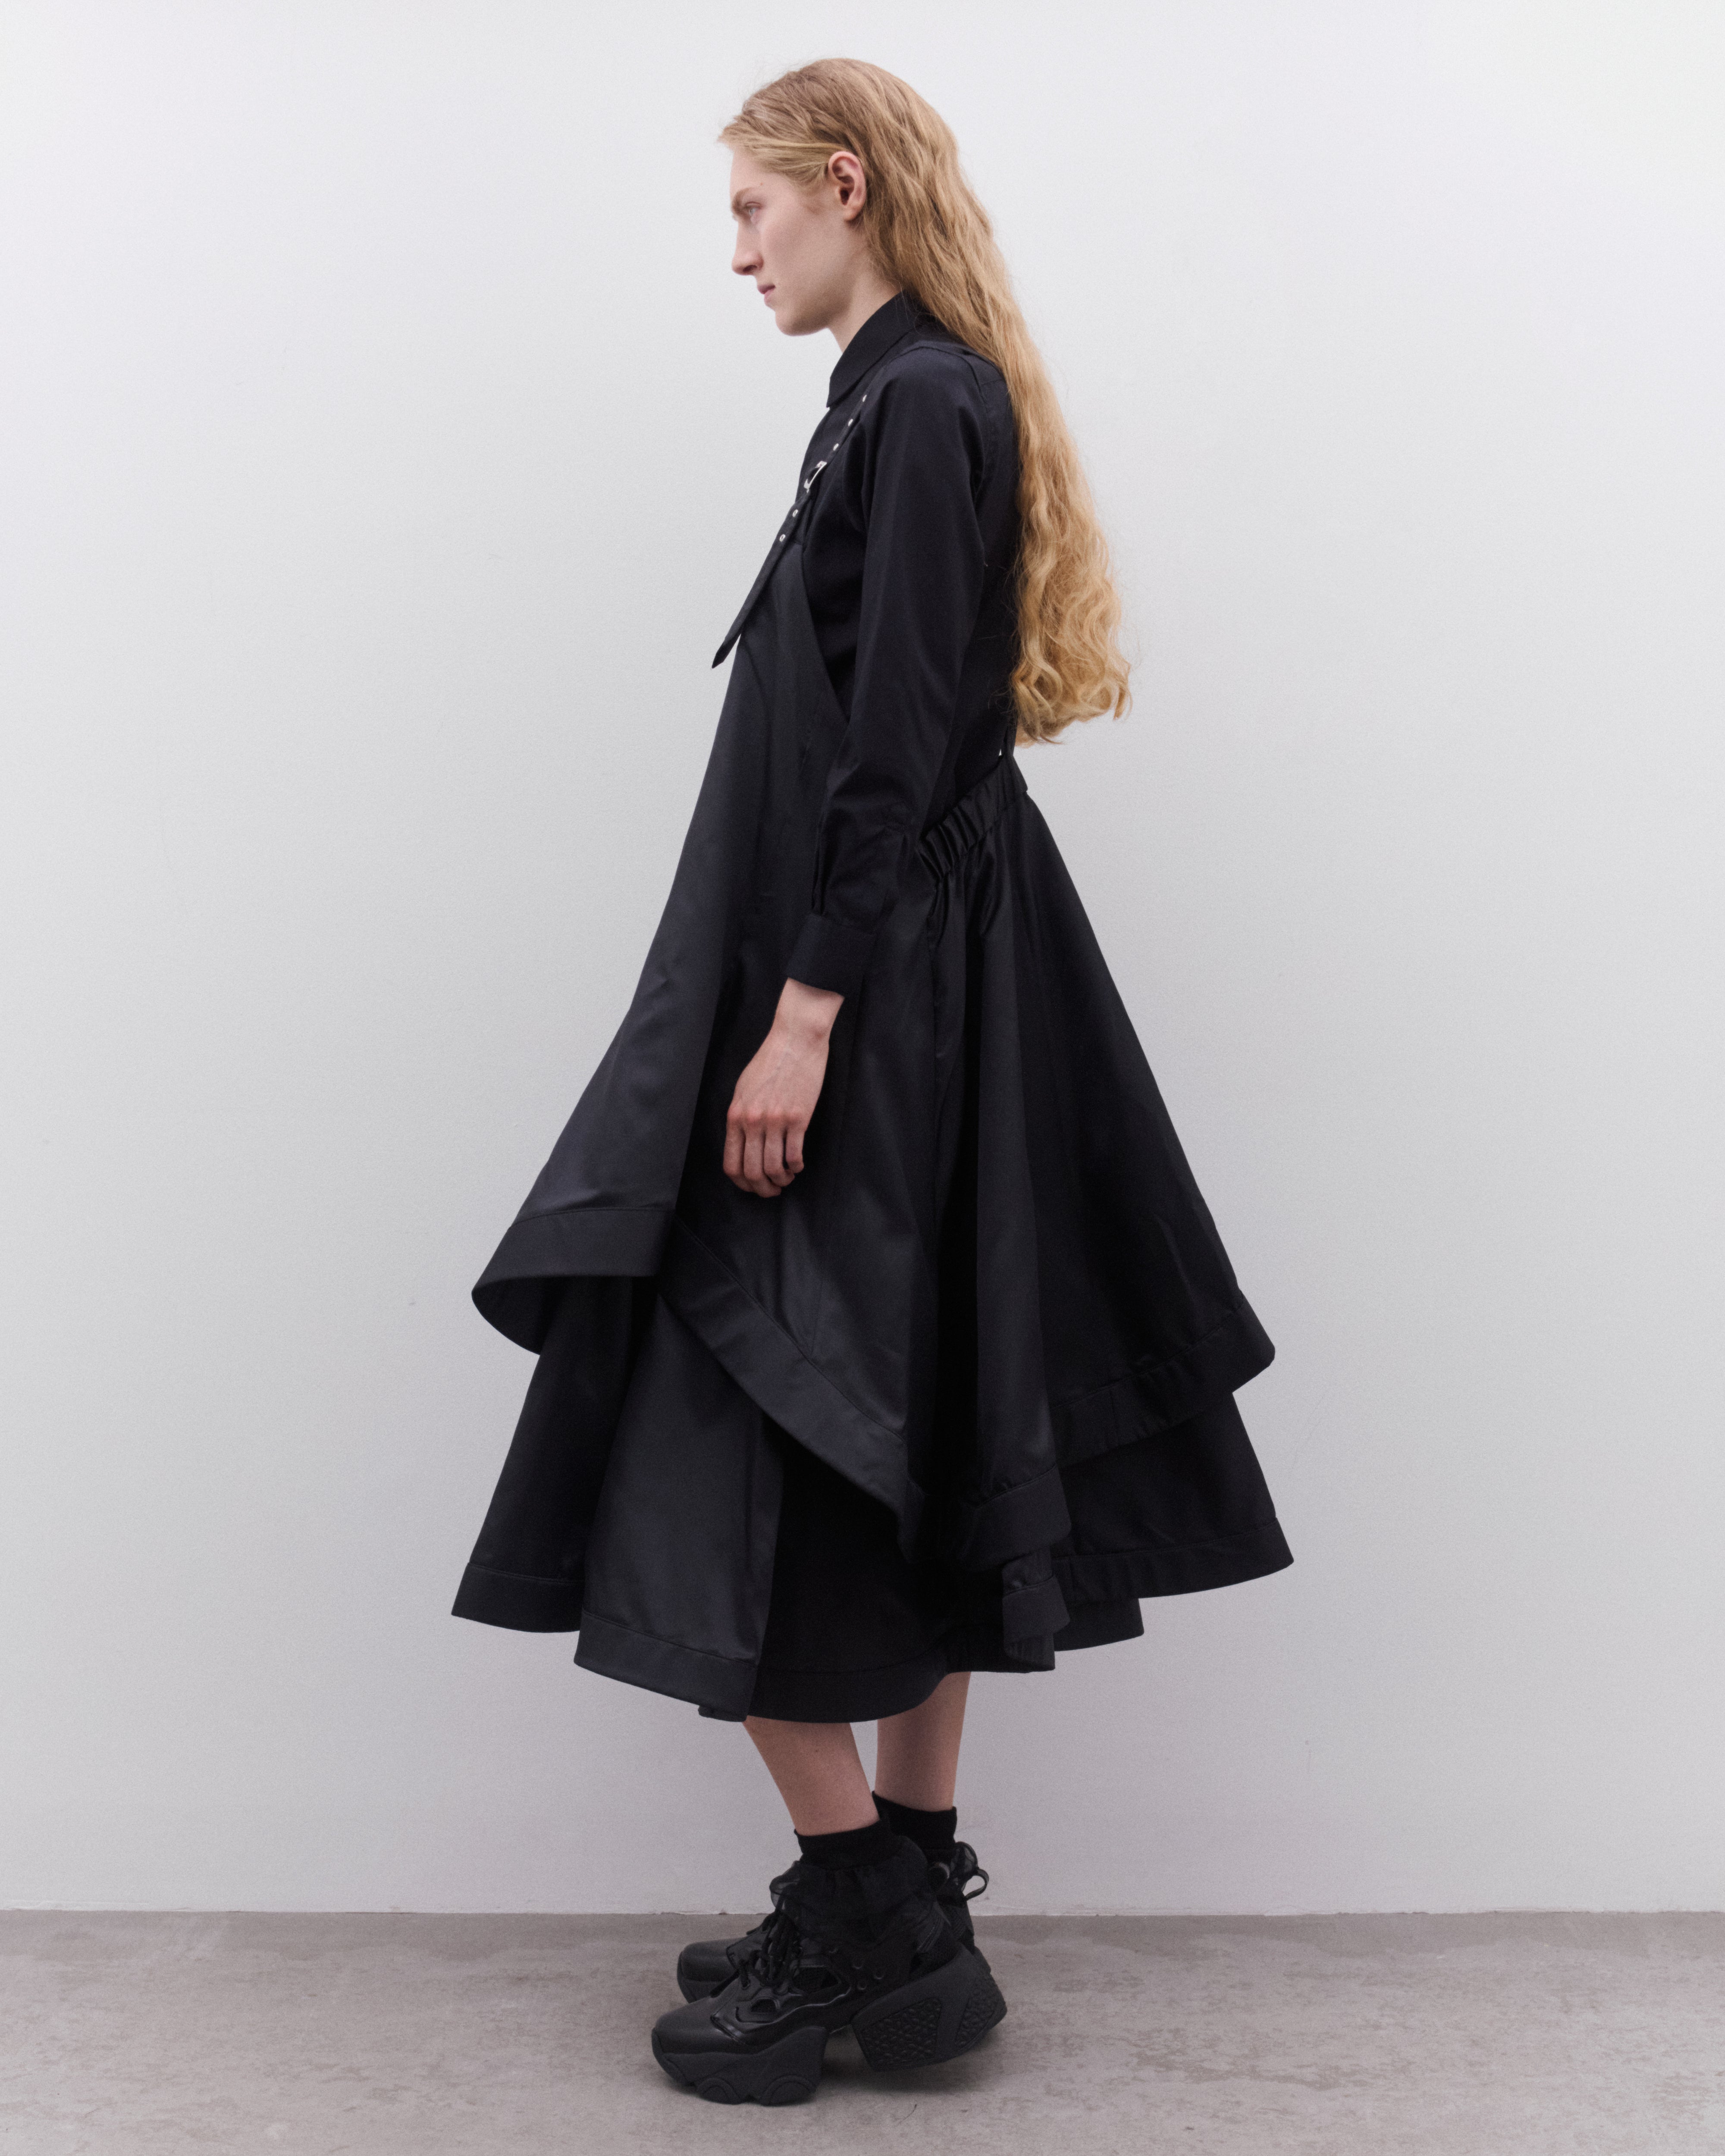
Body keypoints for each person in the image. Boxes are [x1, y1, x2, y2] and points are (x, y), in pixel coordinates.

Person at [452, 57, 1292, 2106]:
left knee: (736, 1401)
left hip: (877, 992)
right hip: (924, 980)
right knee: (905, 1402)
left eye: (750, 213)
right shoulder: (902, 396)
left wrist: (805, 1011)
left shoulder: (918, 404)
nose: (735, 254)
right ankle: (904, 1884)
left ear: (840, 185)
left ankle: (863, 1900)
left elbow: (899, 740)